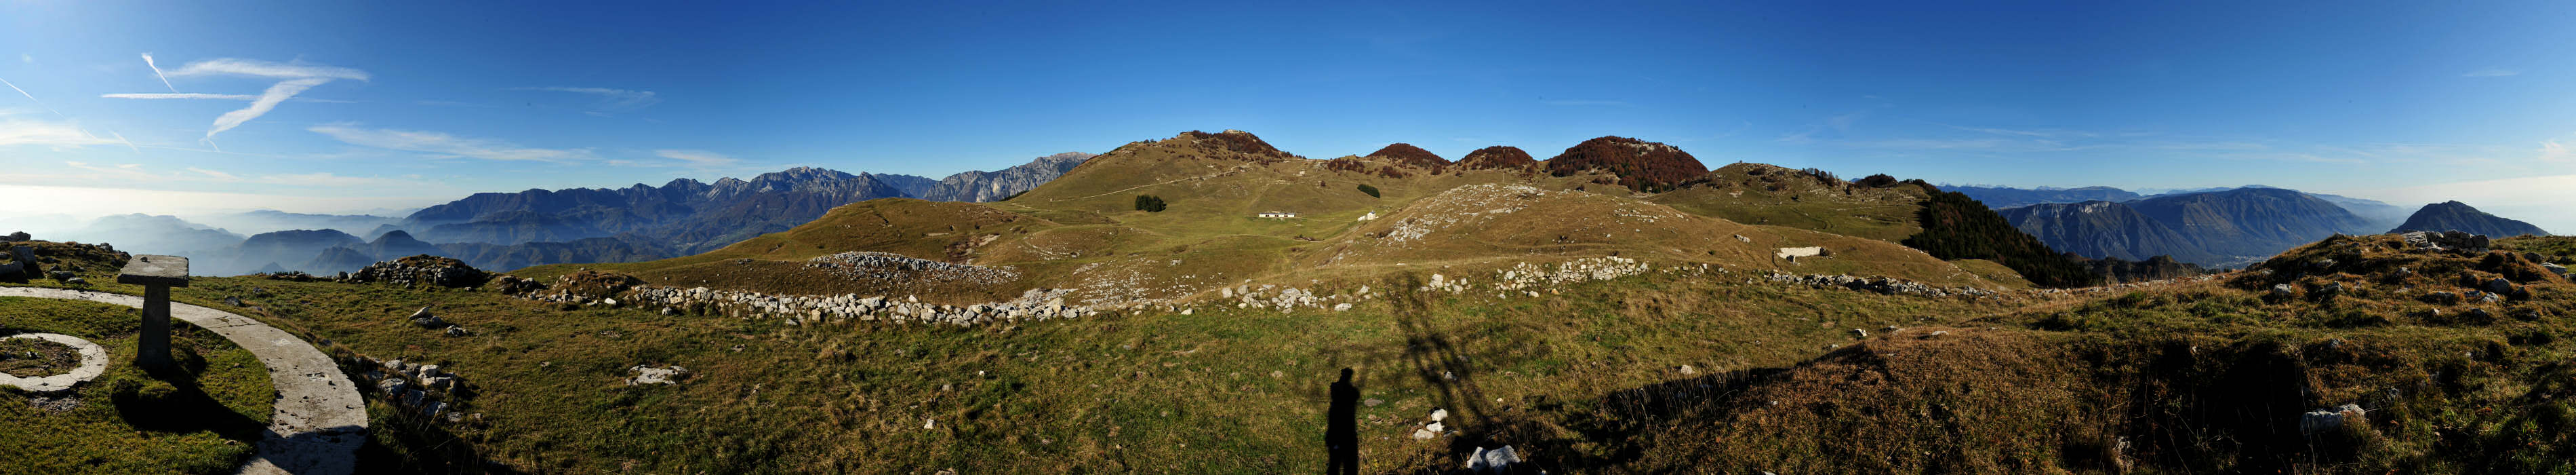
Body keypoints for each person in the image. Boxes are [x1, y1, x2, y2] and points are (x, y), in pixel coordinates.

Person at [1327, 367, 1359, 475]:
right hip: (1347, 435)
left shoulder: (1337, 397)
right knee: (1346, 466)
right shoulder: (1352, 393)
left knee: (1335, 465)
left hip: (1340, 434)